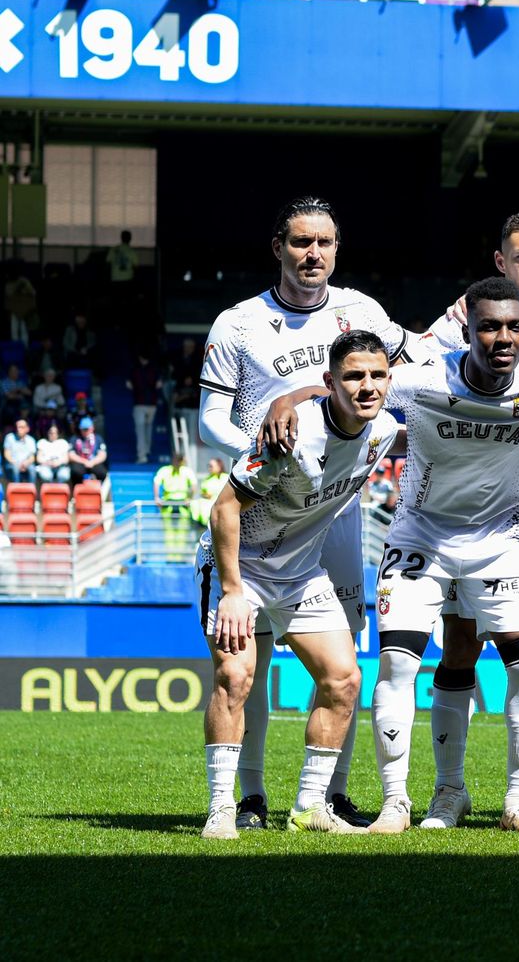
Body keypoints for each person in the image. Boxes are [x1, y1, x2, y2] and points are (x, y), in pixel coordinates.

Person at [199, 195, 412, 832]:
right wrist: (269, 452)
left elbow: (398, 380)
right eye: (299, 242)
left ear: (337, 249)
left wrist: (303, 394)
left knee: (343, 668)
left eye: (323, 242)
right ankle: (246, 797)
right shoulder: (238, 323)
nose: (312, 253)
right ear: (279, 248)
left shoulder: (363, 313)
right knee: (246, 666)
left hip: (330, 521)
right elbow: (210, 418)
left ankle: (327, 797)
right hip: (262, 501)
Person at [365, 277, 519, 835]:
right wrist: (291, 397)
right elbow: (352, 388)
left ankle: (518, 803)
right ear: (467, 330)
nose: (504, 337)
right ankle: (407, 801)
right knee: (399, 664)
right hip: (420, 537)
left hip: (500, 544)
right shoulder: (424, 378)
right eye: (490, 326)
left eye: (515, 326)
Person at [154, 451, 198, 561]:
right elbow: (156, 482)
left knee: (181, 532)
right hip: (169, 503)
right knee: (169, 532)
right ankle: (171, 557)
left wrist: (190, 498)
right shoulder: (165, 470)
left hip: (182, 503)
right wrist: (157, 497)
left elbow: (194, 485)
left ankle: (179, 557)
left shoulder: (186, 471)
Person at [128, 351, 164, 465]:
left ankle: (142, 456)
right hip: (151, 404)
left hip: (139, 403)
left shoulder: (134, 369)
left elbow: (128, 385)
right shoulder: (156, 370)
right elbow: (159, 385)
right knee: (148, 428)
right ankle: (147, 451)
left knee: (140, 430)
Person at [67, 416, 107, 486]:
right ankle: (77, 492)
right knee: (75, 472)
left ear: (92, 428)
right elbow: (71, 455)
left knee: (102, 473)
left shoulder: (98, 438)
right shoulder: (74, 438)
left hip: (93, 462)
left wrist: (92, 462)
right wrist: (84, 461)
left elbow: (103, 455)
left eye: (87, 429)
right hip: (80, 462)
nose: (85, 431)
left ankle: (98, 491)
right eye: (83, 429)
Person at [191, 457, 226, 526]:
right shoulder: (206, 479)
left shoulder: (226, 477)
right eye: (208, 466)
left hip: (223, 510)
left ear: (219, 466)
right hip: (208, 512)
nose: (209, 468)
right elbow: (203, 493)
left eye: (211, 466)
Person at [3, 417, 37, 484]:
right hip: (12, 464)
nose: (18, 429)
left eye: (21, 427)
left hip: (26, 464)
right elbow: (6, 454)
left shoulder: (31, 440)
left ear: (27, 429)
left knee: (32, 469)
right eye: (17, 427)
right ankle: (16, 491)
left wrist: (26, 463)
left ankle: (31, 491)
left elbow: (32, 457)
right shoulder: (9, 437)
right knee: (15, 468)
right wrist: (16, 463)